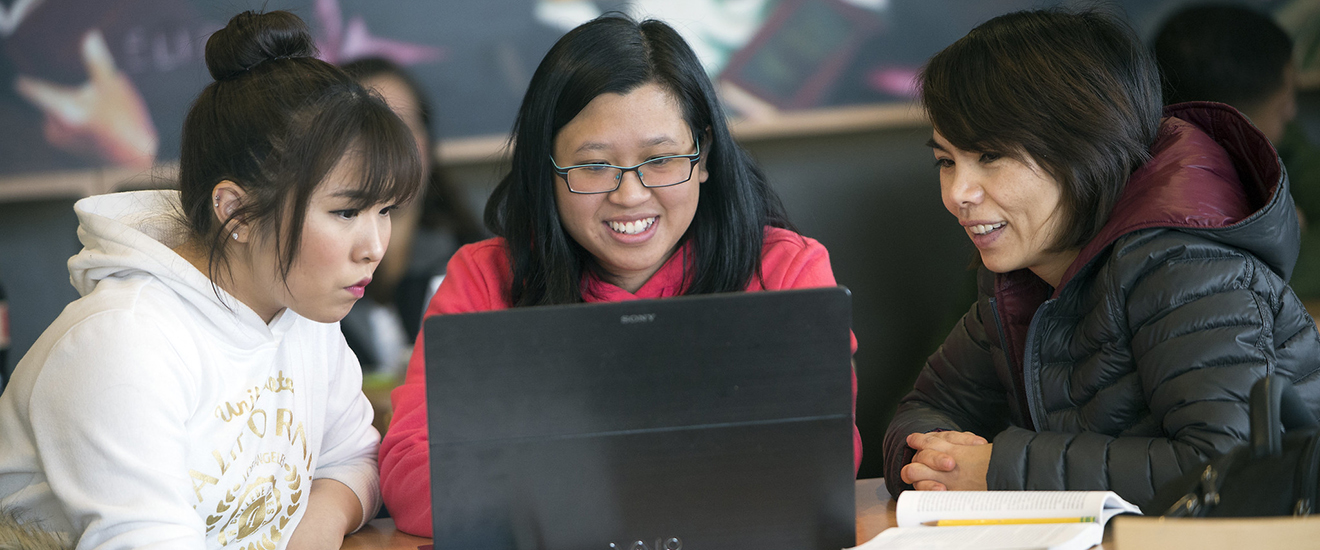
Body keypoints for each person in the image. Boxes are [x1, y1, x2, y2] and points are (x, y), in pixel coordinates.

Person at [379, 14, 862, 536]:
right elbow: (409, 473)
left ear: (703, 155)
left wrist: (547, 485)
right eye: (593, 166)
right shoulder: (485, 278)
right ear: (548, 170)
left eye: (660, 159)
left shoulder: (786, 270)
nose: (629, 195)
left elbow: (822, 458)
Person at [0, 10, 422, 549]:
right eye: (346, 212)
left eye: (385, 210)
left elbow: (357, 459)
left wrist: (315, 524)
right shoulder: (121, 342)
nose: (375, 246)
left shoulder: (301, 314)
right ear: (236, 213)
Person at [882, 8, 1320, 510]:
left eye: (990, 157)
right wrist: (938, 461)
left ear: (1082, 147)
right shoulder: (1021, 277)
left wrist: (999, 469)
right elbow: (925, 408)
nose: (958, 192)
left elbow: (1227, 469)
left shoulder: (1184, 267)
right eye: (945, 161)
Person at [1152, 4, 1320, 301]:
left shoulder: (1271, 137)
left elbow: (1305, 166)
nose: (1293, 111)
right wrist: (1290, 233)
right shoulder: (1183, 210)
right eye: (1282, 109)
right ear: (1237, 124)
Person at [338, 58, 485, 373]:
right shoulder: (304, 271)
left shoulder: (474, 257)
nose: (393, 146)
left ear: (428, 142)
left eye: (405, 125)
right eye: (372, 129)